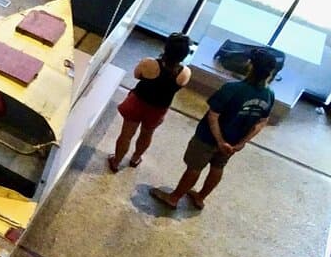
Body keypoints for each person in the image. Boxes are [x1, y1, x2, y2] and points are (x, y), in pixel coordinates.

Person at [150, 48, 278, 210]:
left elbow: (213, 115)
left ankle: (174, 198)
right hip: (233, 143)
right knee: (218, 167)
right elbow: (261, 121)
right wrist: (241, 143)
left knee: (194, 167)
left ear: (250, 66)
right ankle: (200, 197)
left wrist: (219, 141)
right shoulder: (269, 94)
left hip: (208, 138)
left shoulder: (232, 88)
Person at [107, 32, 192, 172]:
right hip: (158, 109)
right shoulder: (185, 73)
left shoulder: (149, 63)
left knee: (126, 134)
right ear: (184, 54)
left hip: (138, 102)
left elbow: (136, 75)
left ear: (166, 48)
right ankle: (135, 159)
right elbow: (179, 87)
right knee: (147, 134)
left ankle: (116, 161)